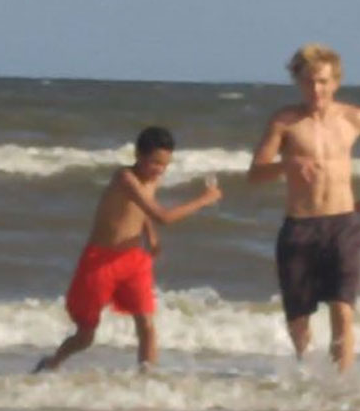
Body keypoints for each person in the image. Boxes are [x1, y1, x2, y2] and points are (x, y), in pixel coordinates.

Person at [248, 44, 360, 371]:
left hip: (343, 224)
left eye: (324, 81)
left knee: (342, 310)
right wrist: (288, 165)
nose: (317, 89)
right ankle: (309, 376)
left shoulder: (354, 118)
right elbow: (255, 173)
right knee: (298, 319)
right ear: (298, 82)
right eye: (309, 82)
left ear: (336, 81)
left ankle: (340, 386)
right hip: (300, 226)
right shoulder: (285, 122)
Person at [33, 125, 221, 372]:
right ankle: (52, 364)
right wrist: (204, 199)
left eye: (165, 164)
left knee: (146, 324)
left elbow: (143, 208)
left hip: (133, 259)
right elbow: (163, 216)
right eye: (155, 163)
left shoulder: (153, 178)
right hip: (100, 260)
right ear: (138, 155)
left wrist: (150, 235)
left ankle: (147, 377)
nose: (160, 170)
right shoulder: (125, 178)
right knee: (86, 335)